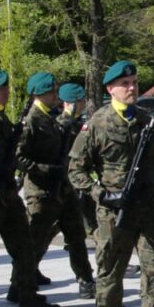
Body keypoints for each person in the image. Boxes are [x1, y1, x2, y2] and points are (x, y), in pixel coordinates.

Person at [67, 61, 154, 307]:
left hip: (148, 210)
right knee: (111, 271)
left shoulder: (146, 120)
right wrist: (102, 194)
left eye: (134, 82)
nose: (131, 88)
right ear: (110, 89)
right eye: (125, 84)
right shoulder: (97, 122)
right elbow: (76, 170)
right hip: (114, 213)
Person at [0, 71, 61, 307]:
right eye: (1, 88)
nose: (7, 91)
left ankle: (28, 300)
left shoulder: (3, 119)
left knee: (25, 248)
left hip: (7, 195)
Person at [17, 72, 96, 300]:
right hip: (41, 191)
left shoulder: (53, 118)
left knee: (75, 236)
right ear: (41, 94)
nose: (56, 96)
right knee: (35, 240)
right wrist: (47, 170)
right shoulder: (32, 121)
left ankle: (85, 281)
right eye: (52, 92)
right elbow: (19, 158)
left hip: (63, 188)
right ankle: (20, 284)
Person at [57, 84, 97, 237]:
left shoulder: (79, 123)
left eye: (82, 100)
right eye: (79, 101)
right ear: (68, 102)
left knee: (89, 215)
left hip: (80, 178)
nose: (82, 104)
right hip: (66, 180)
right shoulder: (62, 124)